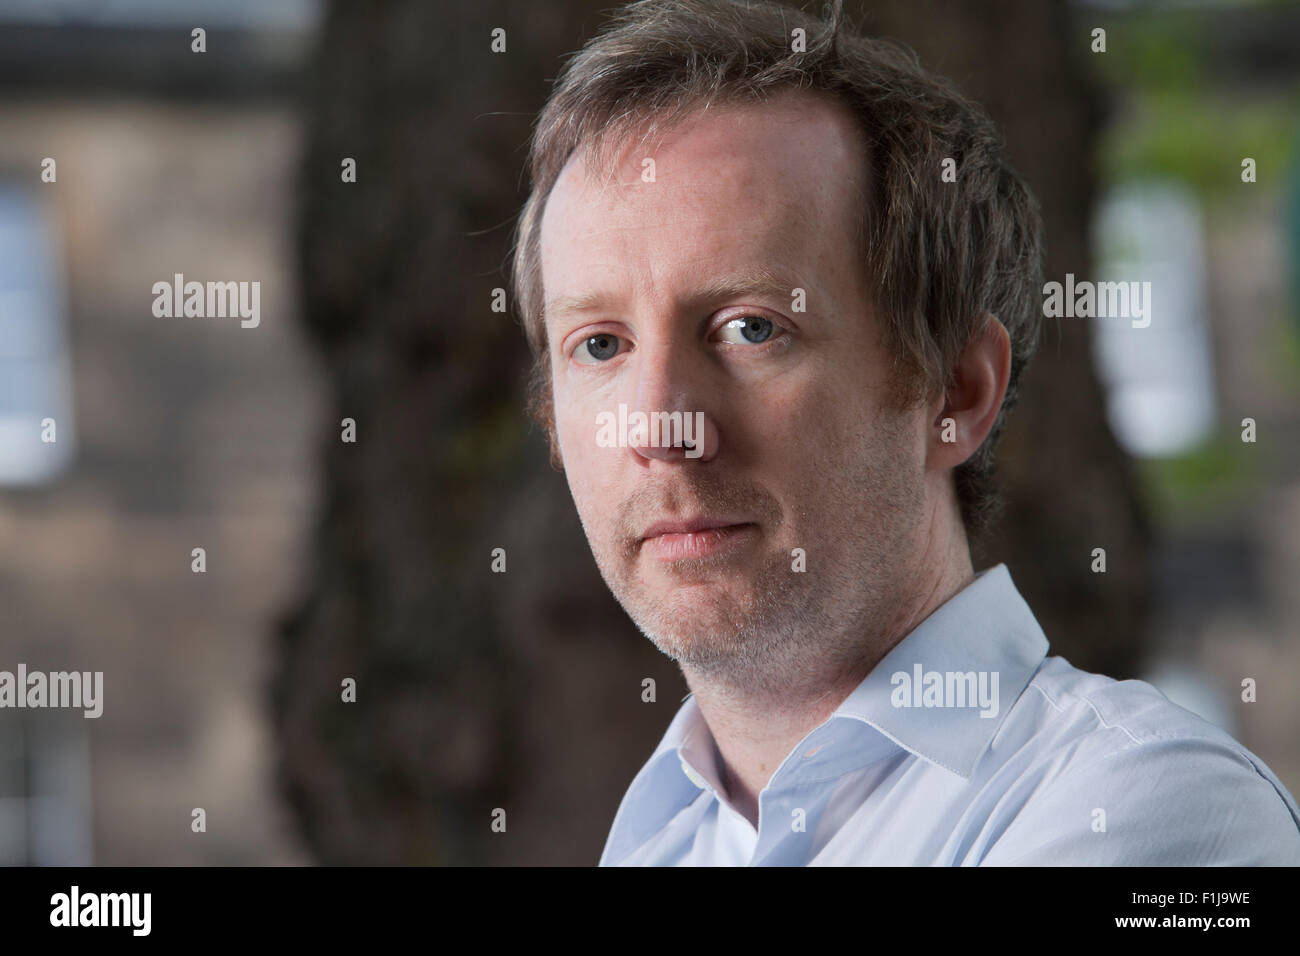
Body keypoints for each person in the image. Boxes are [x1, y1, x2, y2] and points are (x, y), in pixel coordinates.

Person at [508, 0, 1300, 865]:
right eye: (600, 345)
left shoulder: (1154, 807)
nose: (661, 424)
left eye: (750, 328)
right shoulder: (654, 843)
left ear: (957, 389)